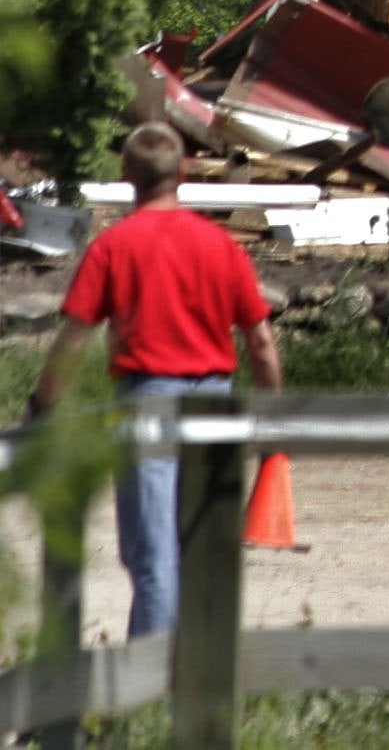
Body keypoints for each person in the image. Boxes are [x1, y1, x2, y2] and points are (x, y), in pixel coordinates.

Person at [33, 123, 282, 637]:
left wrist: (44, 403)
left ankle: (150, 694)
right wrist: (272, 415)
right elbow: (260, 342)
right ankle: (203, 680)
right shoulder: (221, 246)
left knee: (153, 559)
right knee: (202, 552)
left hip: (148, 403)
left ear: (128, 177)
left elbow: (74, 339)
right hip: (215, 405)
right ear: (184, 174)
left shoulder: (113, 247)